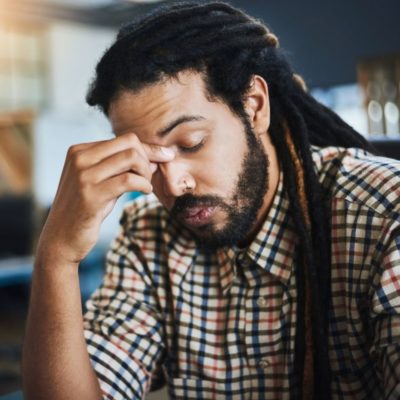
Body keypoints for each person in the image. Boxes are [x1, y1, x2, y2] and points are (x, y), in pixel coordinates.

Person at [21, 1, 400, 399]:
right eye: (150, 162)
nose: (173, 184)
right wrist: (56, 255)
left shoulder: (385, 215)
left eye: (191, 143)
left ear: (254, 107)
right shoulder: (148, 235)